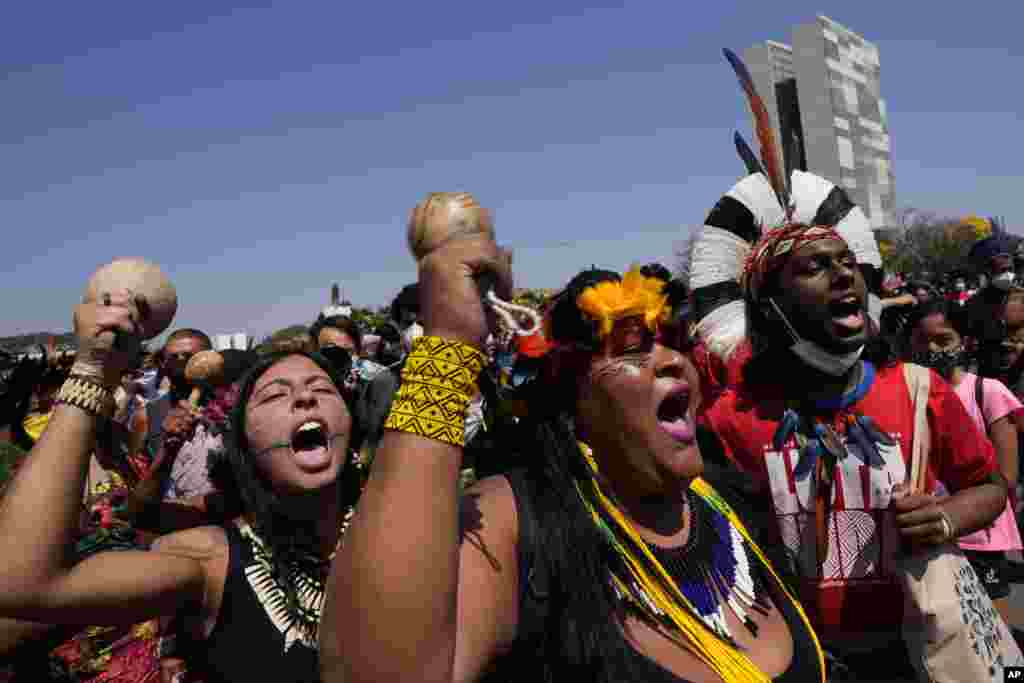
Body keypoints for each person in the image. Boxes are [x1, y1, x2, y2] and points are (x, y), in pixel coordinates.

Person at [322, 201, 828, 682]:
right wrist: (448, 347)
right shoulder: (520, 525)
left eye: (672, 342)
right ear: (574, 402)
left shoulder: (733, 502)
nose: (673, 361)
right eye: (631, 351)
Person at [691, 186, 1006, 678]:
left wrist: (942, 517)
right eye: (814, 267)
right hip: (801, 659)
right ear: (771, 304)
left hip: (920, 651)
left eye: (846, 261)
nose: (842, 273)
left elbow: (990, 487)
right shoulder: (730, 420)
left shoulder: (919, 389)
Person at [0, 290, 360, 683]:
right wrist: (91, 371)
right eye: (275, 395)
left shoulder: (410, 524)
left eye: (323, 389)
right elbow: (23, 583)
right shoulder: (207, 560)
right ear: (243, 446)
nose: (306, 397)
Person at [904, 299, 1023, 624]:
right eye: (921, 340)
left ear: (965, 342)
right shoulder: (910, 392)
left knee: (988, 629)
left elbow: (1006, 476)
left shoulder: (988, 391)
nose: (932, 350)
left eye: (943, 340)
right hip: (931, 534)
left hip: (981, 536)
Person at [142, 329, 213, 466]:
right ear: (163, 363)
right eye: (173, 357)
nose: (180, 361)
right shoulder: (147, 415)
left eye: (189, 356)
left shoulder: (235, 405)